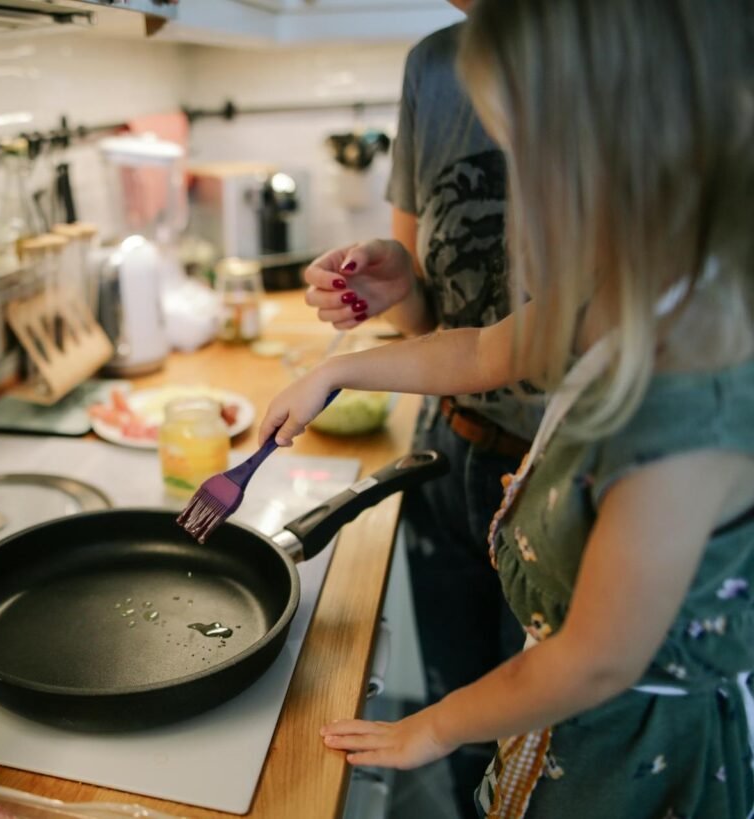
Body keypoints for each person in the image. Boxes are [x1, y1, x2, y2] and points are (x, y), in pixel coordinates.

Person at [261, 0, 754, 815]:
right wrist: (338, 370)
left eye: (537, 158)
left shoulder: (689, 404)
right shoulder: (630, 286)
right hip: (562, 721)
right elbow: (483, 349)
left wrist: (438, 725)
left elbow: (597, 659)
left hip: (631, 756)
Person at [305, 3, 536, 813]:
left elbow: (597, 661)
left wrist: (346, 373)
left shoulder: (651, 52)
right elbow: (448, 329)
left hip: (570, 478)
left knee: (542, 751)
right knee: (462, 718)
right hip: (452, 448)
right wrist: (393, 282)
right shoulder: (436, 66)